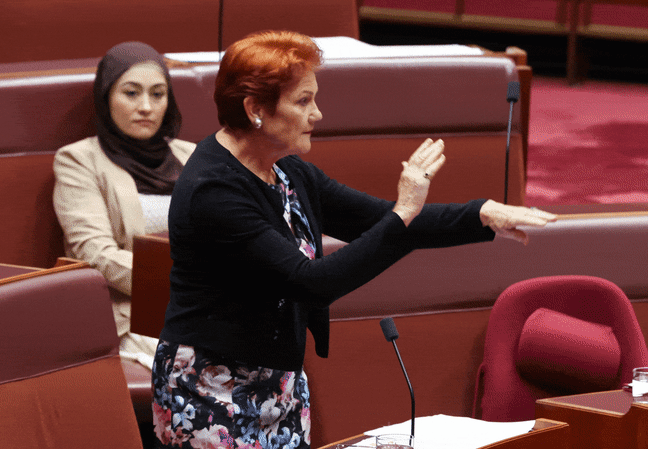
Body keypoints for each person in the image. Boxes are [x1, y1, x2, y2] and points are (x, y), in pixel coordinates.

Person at [151, 31, 556, 449]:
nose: (317, 114)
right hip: (210, 390)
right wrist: (402, 213)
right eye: (303, 101)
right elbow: (312, 281)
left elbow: (381, 220)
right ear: (256, 109)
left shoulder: (287, 170)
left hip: (277, 383)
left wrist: (481, 214)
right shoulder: (213, 190)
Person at [53, 42, 195, 369]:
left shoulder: (194, 156)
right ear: (106, 97)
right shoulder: (79, 160)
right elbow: (92, 253)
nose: (146, 106)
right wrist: (184, 282)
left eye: (158, 94)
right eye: (131, 93)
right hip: (133, 310)